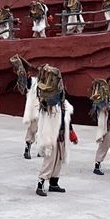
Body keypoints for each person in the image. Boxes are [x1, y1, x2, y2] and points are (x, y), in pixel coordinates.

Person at [35, 64, 77, 196]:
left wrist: (71, 132)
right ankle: (40, 185)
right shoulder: (48, 102)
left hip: (61, 136)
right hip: (51, 136)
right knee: (49, 160)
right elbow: (44, 103)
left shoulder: (64, 104)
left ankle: (54, 183)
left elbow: (66, 119)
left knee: (59, 159)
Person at [10, 54, 40, 159]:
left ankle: (41, 149)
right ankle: (27, 149)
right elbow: (24, 86)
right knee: (32, 129)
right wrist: (22, 73)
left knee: (43, 130)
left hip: (43, 110)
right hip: (34, 109)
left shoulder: (45, 82)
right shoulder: (32, 81)